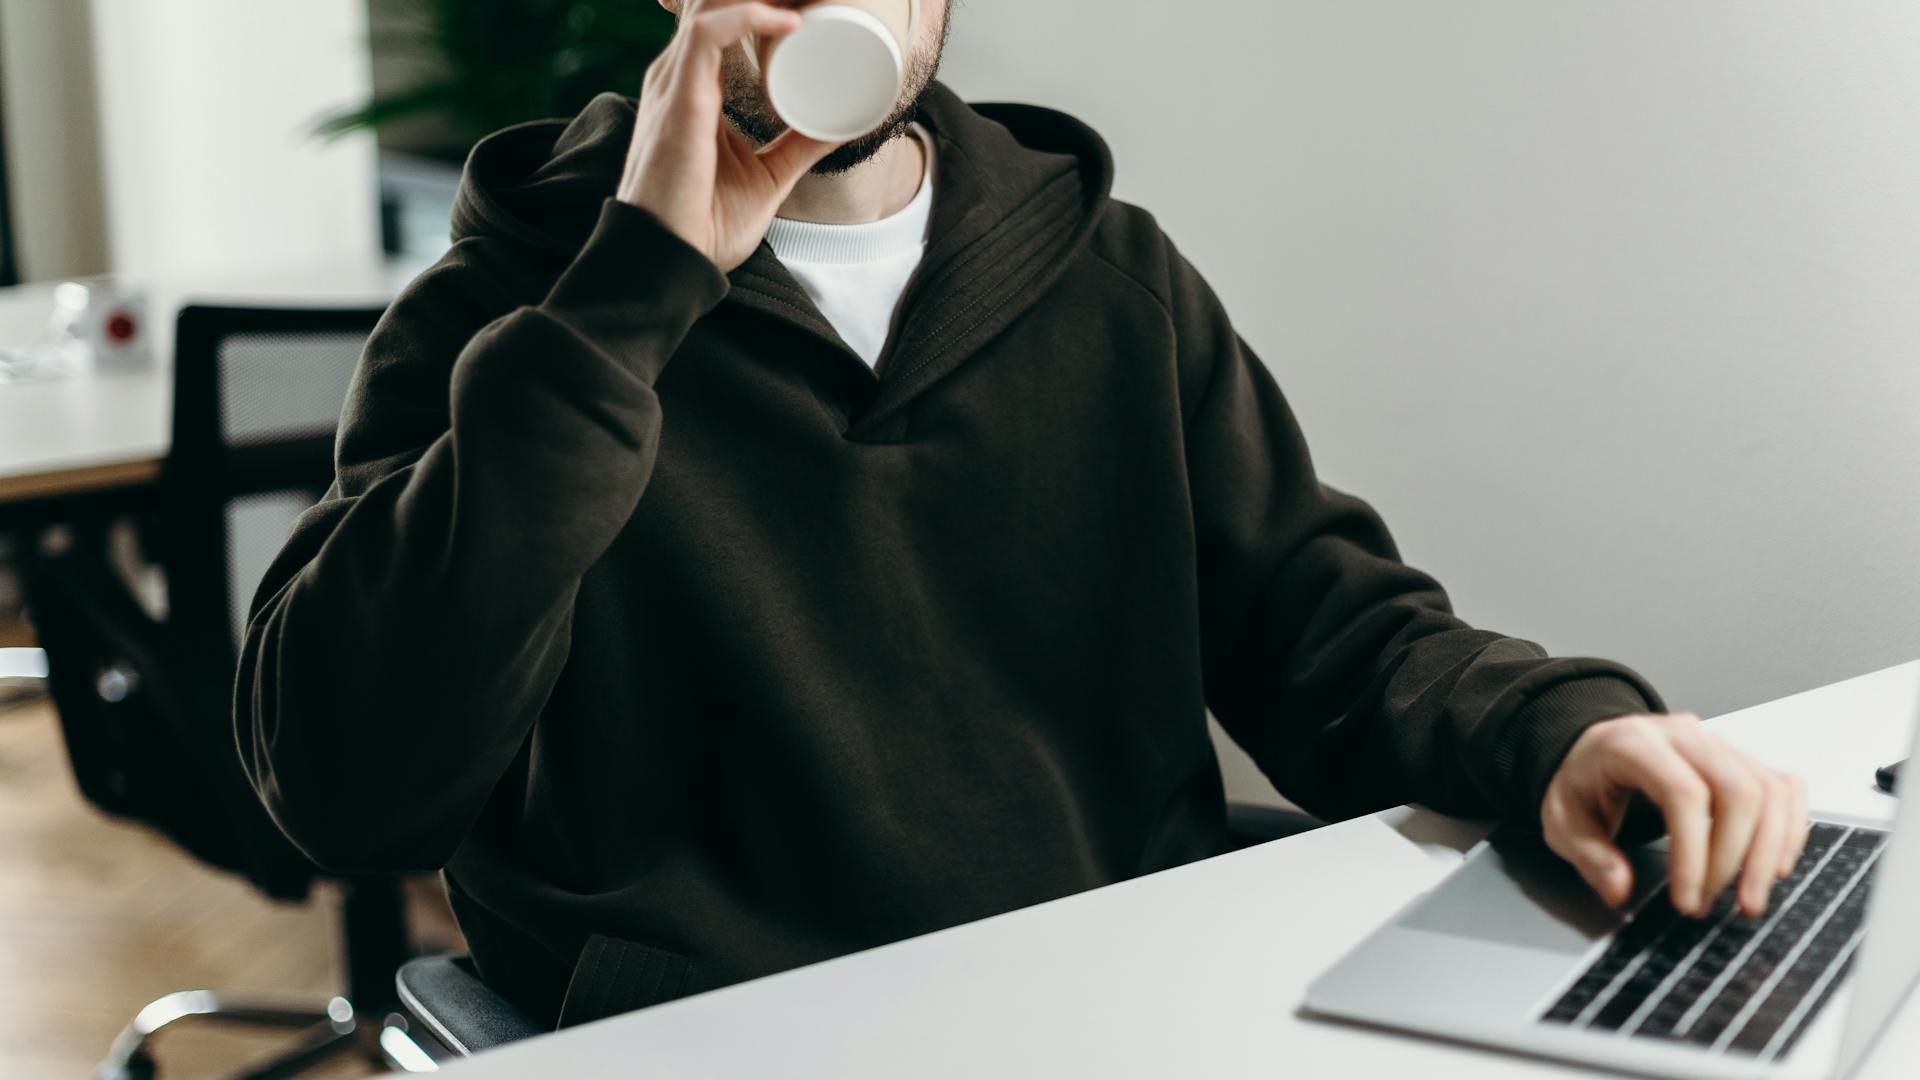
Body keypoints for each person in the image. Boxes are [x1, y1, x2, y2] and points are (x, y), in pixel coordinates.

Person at [234, 0, 1809, 1028]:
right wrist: (638, 294)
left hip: (1118, 1008)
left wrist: (1554, 733)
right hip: (724, 1033)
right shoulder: (512, 320)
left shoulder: (1107, 279)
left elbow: (1327, 630)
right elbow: (349, 789)